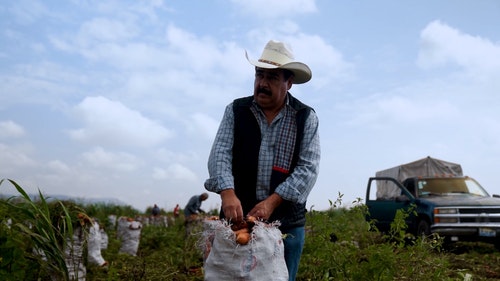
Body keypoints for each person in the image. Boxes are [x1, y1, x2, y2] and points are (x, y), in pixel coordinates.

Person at [204, 39, 320, 280]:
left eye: (272, 78)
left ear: (288, 83)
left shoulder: (304, 117)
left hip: (286, 223)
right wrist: (227, 192)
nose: (263, 84)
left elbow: (307, 169)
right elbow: (220, 153)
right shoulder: (236, 110)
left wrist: (273, 202)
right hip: (238, 223)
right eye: (259, 75)